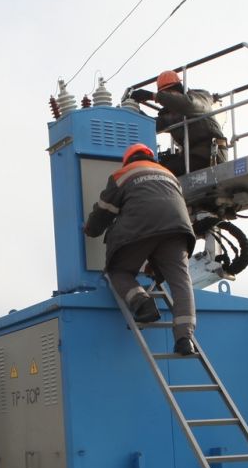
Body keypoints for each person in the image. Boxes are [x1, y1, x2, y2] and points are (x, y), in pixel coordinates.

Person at [84, 142, 198, 355]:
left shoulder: (122, 174)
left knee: (118, 271)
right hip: (178, 231)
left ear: (128, 159)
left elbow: (103, 212)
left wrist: (90, 229)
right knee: (181, 282)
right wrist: (156, 262)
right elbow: (167, 210)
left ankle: (143, 304)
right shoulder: (170, 175)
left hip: (139, 229)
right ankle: (185, 339)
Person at [130, 70, 228, 177]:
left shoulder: (201, 97)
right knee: (158, 166)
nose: (167, 99)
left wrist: (153, 96)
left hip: (209, 153)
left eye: (168, 93)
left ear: (179, 89)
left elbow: (189, 104)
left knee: (162, 173)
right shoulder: (175, 115)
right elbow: (154, 124)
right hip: (192, 156)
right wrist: (134, 112)